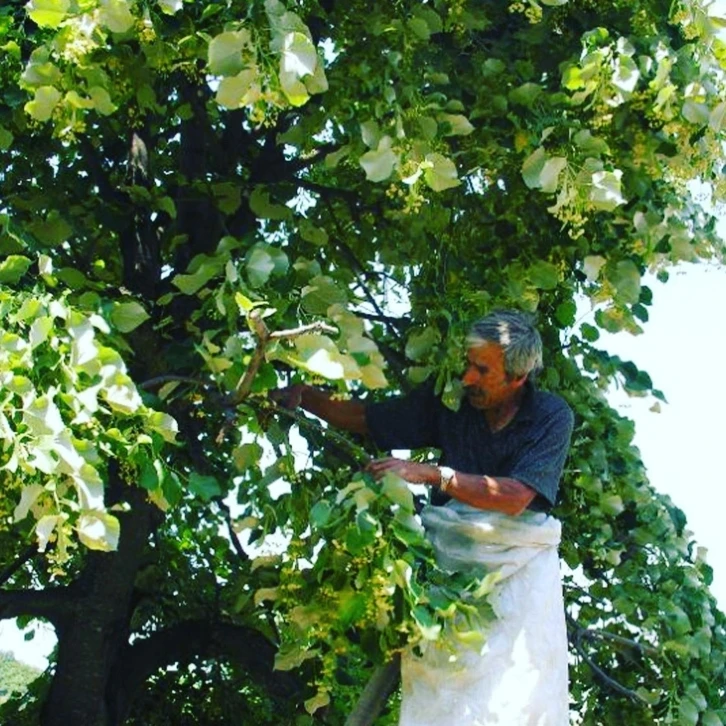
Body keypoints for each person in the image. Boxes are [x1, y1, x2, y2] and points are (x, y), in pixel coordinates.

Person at [274, 310, 574, 726]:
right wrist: (306, 397)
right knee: (442, 688)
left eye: (481, 370)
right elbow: (371, 419)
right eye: (468, 364)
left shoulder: (551, 416)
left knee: (515, 695)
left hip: (518, 575)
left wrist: (436, 475)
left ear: (518, 378)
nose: (467, 377)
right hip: (449, 570)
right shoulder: (452, 403)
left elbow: (517, 497)